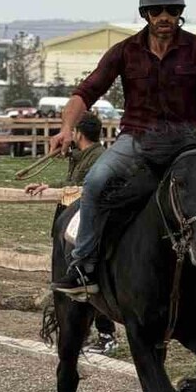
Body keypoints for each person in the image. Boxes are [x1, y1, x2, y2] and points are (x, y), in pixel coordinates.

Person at [48, 0, 196, 301]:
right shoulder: (125, 51)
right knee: (95, 181)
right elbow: (86, 92)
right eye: (157, 10)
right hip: (136, 139)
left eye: (172, 10)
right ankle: (83, 267)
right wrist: (66, 128)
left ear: (180, 14)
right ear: (145, 14)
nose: (164, 16)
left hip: (184, 144)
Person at [27, 112, 119, 354]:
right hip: (70, 222)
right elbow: (71, 181)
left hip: (84, 225)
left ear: (78, 133)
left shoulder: (98, 159)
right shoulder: (83, 156)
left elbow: (83, 187)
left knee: (88, 278)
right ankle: (82, 332)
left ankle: (106, 333)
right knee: (74, 281)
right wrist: (49, 186)